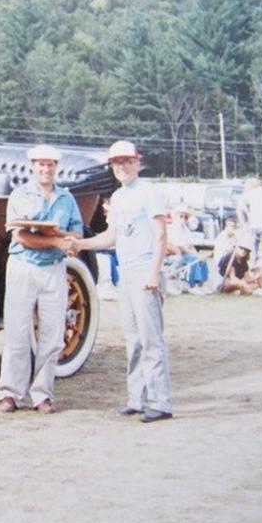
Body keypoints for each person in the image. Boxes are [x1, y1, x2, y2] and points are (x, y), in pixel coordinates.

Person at [71, 140, 172, 423]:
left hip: (144, 270)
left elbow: (161, 235)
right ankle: (136, 399)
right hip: (126, 272)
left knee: (152, 340)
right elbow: (111, 237)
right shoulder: (117, 198)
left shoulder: (149, 192)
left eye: (127, 161)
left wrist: (154, 272)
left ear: (138, 162)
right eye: (117, 163)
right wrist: (80, 244)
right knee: (133, 339)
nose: (122, 167)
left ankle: (161, 402)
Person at [0, 144, 83, 415]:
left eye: (50, 165)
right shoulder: (20, 195)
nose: (46, 169)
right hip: (23, 266)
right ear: (32, 167)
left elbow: (77, 233)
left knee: (53, 335)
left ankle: (42, 395)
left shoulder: (67, 199)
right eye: (41, 165)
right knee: (17, 332)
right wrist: (57, 240)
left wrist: (57, 239)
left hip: (55, 269)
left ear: (57, 168)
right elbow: (21, 236)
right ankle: (10, 393)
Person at [166, 205, 210, 294]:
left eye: (185, 217)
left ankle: (201, 285)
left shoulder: (186, 229)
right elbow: (179, 247)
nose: (183, 218)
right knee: (193, 259)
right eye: (181, 216)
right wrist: (194, 255)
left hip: (186, 253)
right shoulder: (174, 228)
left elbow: (191, 245)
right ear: (175, 216)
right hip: (176, 254)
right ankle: (192, 285)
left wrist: (198, 255)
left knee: (202, 259)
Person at [241, 176, 262, 264]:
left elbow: (242, 203)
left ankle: (253, 262)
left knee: (254, 245)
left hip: (254, 225)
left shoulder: (254, 192)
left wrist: (248, 214)